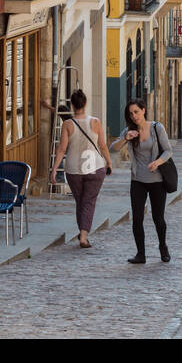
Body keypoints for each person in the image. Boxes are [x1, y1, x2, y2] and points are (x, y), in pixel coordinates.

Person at [109, 100, 172, 264]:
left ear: (143, 110)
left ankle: (163, 247)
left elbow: (168, 150)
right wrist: (125, 138)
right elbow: (113, 148)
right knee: (137, 218)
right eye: (131, 113)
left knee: (158, 218)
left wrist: (157, 163)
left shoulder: (157, 128)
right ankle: (140, 254)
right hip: (138, 180)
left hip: (157, 180)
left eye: (136, 111)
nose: (134, 116)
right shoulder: (129, 131)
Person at [49, 90, 112, 248]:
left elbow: (62, 149)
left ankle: (82, 232)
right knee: (88, 202)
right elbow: (103, 146)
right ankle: (83, 236)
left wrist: (54, 169)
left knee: (81, 202)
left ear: (72, 104)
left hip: (74, 169)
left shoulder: (67, 124)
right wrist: (109, 163)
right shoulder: (95, 122)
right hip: (95, 167)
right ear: (85, 104)